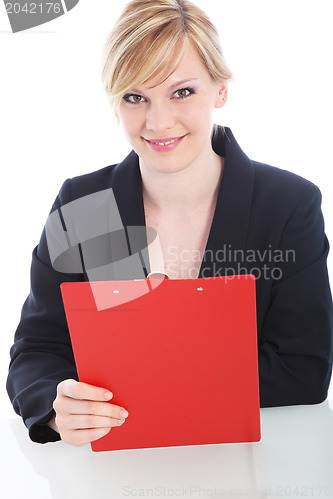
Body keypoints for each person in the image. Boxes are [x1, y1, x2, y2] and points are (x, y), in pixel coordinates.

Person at [7, 0, 333, 448]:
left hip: (251, 466)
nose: (158, 122)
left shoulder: (288, 205)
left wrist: (144, 377)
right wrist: (55, 401)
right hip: (109, 473)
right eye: (135, 97)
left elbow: (305, 370)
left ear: (220, 89)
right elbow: (38, 350)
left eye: (182, 92)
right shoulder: (83, 205)